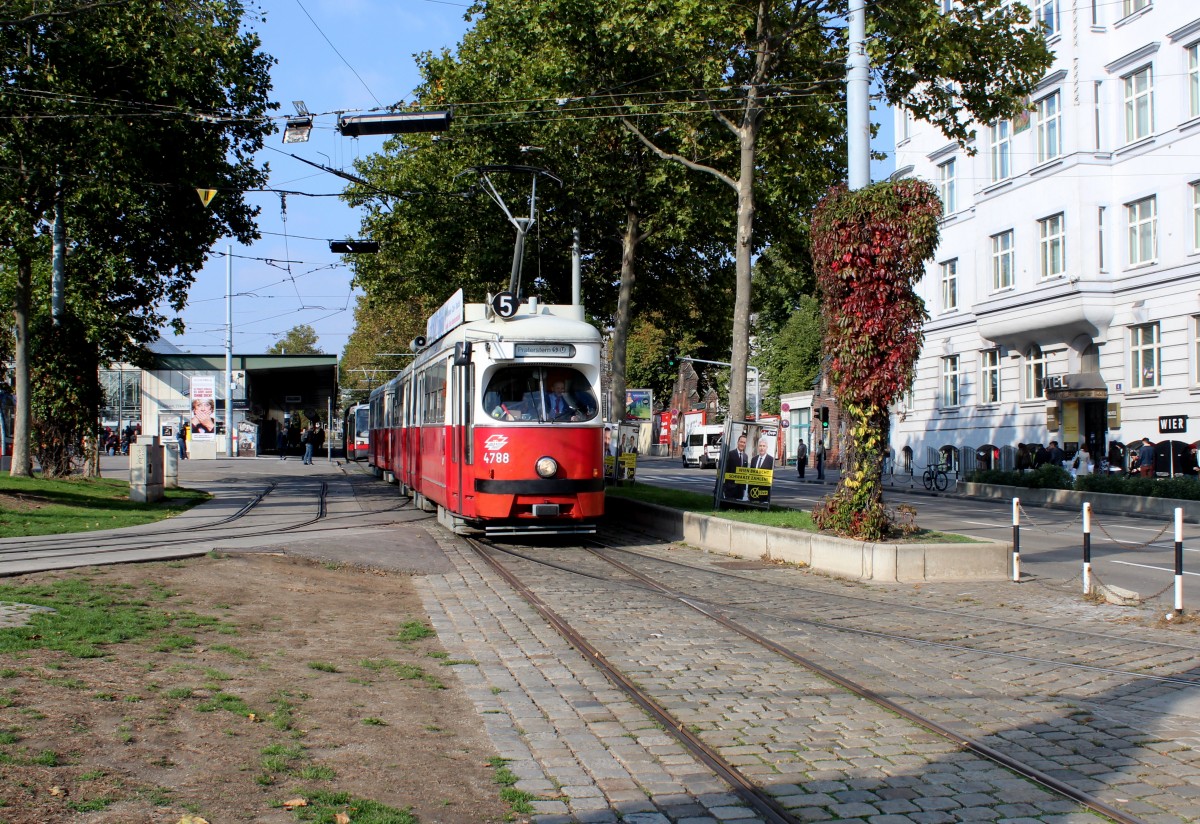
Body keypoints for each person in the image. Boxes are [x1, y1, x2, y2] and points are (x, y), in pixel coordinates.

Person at [723, 433, 749, 500]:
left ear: (745, 444)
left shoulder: (746, 456)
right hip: (730, 488)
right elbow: (726, 470)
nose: (742, 444)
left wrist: (744, 487)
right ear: (738, 442)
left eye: (744, 443)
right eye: (741, 442)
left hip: (740, 489)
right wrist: (726, 486)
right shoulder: (730, 454)